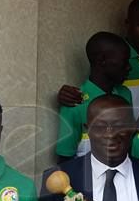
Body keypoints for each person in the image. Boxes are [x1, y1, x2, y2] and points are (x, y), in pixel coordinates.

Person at [57, 0, 139, 119]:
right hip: (117, 131)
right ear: (127, 24)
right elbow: (96, 83)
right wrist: (65, 95)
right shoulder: (114, 56)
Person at [55, 32, 132, 162]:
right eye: (124, 61)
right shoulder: (75, 102)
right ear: (102, 60)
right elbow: (65, 158)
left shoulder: (125, 94)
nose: (129, 67)